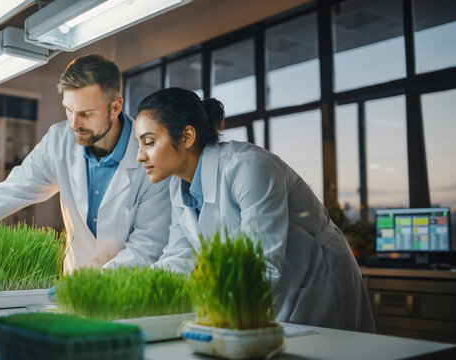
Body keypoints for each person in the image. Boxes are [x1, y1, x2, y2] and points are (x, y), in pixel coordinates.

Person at [135, 87, 375, 332]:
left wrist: (207, 305)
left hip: (316, 283)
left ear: (186, 136)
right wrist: (137, 290)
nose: (139, 156)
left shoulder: (249, 167)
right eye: (139, 145)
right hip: (267, 300)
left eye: (149, 142)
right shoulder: (179, 187)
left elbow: (261, 265)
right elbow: (180, 257)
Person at [0, 54, 172, 272]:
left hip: (125, 294)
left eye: (86, 113)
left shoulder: (150, 158)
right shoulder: (60, 140)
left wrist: (96, 286)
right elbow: (17, 187)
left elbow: (147, 245)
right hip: (72, 290)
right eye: (68, 110)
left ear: (115, 106)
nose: (74, 124)